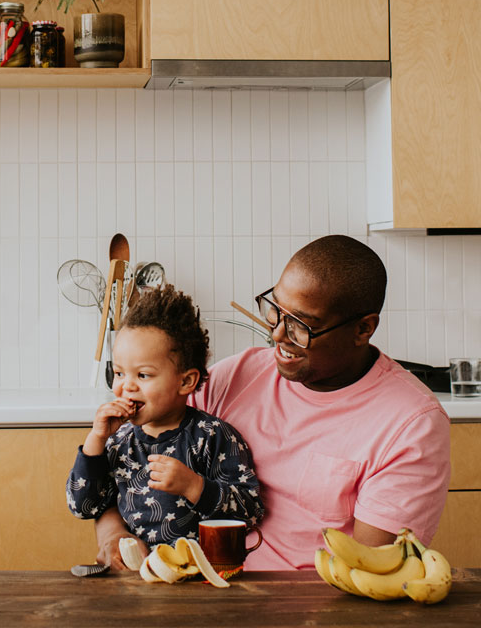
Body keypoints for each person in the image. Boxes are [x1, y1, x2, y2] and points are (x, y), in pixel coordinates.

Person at [95, 235, 451, 570]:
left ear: (363, 329)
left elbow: (369, 569)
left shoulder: (411, 424)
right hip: (206, 590)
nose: (277, 334)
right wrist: (113, 533)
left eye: (301, 325)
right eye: (275, 310)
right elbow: (121, 468)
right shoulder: (236, 375)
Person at [67, 285, 263, 547]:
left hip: (201, 576)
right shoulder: (118, 441)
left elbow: (250, 511)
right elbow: (84, 507)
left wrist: (195, 487)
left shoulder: (213, 436)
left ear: (186, 382)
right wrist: (96, 440)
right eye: (119, 373)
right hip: (136, 576)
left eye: (143, 375)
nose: (127, 386)